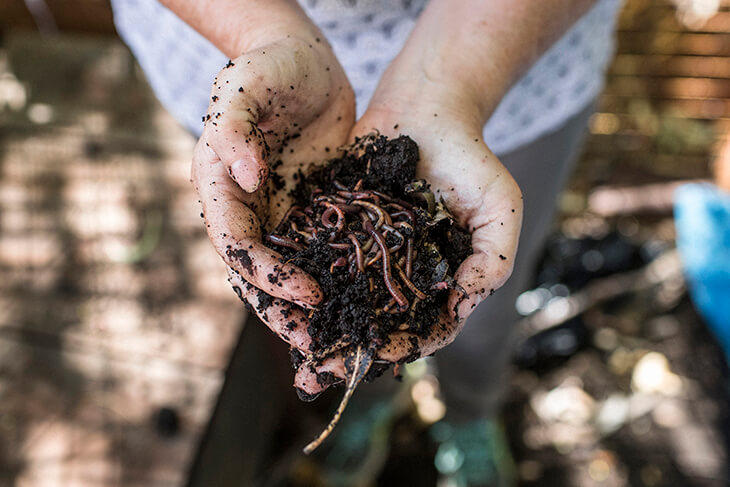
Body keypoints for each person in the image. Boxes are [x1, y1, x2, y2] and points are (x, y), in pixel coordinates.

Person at [112, 0, 622, 484]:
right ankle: (371, 404)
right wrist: (262, 31)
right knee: (337, 331)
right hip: (250, 81)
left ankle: (472, 413)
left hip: (510, 52)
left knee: (480, 304)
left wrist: (449, 84)